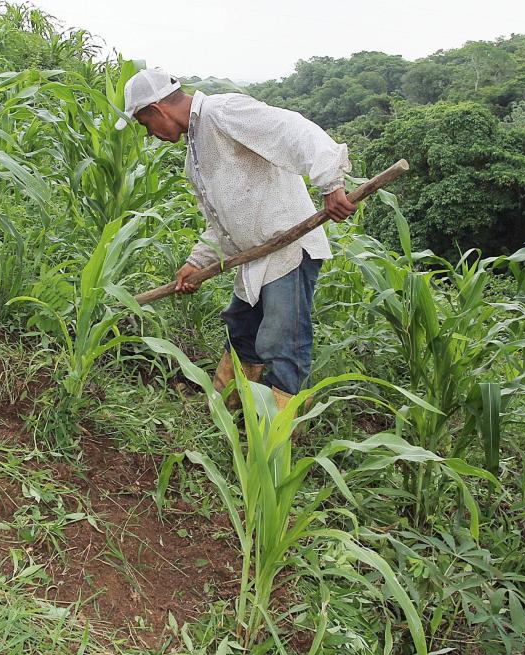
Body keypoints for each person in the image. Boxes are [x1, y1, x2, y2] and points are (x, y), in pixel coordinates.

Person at [116, 68, 357, 410]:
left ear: (156, 110)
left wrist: (331, 182)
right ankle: (228, 411)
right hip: (255, 256)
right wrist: (195, 262)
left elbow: (293, 129)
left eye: (144, 123)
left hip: (287, 250)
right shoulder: (195, 152)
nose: (150, 133)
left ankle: (274, 440)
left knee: (280, 344)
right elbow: (222, 220)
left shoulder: (222, 112)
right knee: (241, 330)